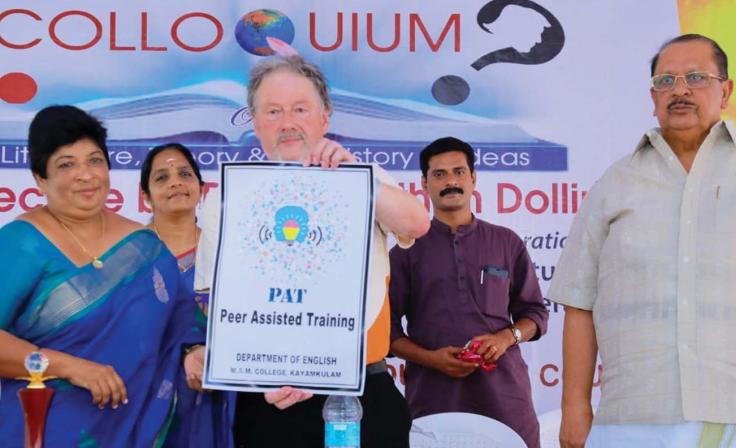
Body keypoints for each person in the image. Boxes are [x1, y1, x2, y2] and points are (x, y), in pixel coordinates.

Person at [550, 34, 736, 447]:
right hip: (635, 417)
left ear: (727, 91)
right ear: (652, 97)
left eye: (696, 77)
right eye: (666, 81)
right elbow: (579, 302)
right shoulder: (615, 184)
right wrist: (574, 409)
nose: (680, 90)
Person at [193, 55, 431, 447]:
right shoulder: (226, 199)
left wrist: (359, 179)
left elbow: (416, 224)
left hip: (359, 398)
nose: (287, 123)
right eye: (273, 111)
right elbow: (212, 303)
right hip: (271, 400)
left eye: (300, 109)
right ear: (254, 122)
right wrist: (255, 376)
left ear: (325, 117)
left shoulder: (363, 178)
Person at [0, 105, 205, 446]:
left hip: (135, 429)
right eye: (66, 164)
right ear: (40, 179)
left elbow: (181, 327)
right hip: (42, 430)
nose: (86, 175)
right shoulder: (21, 243)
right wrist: (70, 367)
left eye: (95, 160)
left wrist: (195, 353)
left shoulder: (145, 246)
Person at [388, 136, 549, 448]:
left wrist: (505, 339)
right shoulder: (406, 251)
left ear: (473, 178)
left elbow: (536, 314)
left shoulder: (506, 242)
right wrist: (432, 359)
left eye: (459, 172)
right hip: (433, 397)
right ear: (424, 183)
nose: (451, 181)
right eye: (439, 174)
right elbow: (386, 332)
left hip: (504, 397)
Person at [139, 142, 234, 447]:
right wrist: (183, 353)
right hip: (144, 397)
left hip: (216, 396)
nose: (176, 182)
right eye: (162, 178)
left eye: (184, 174)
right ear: (145, 196)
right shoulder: (128, 257)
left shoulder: (228, 253)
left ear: (202, 189)